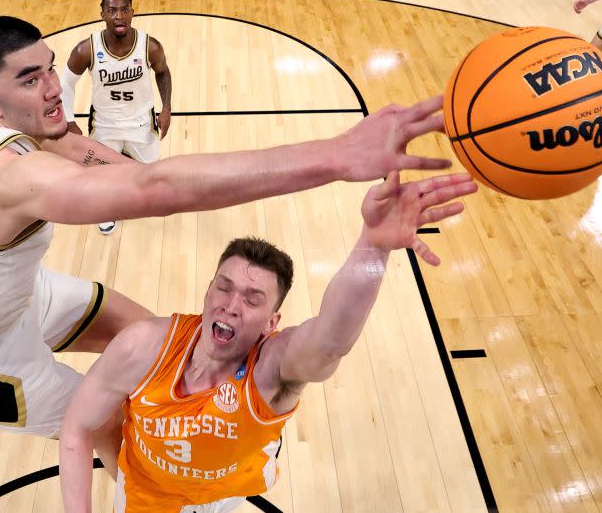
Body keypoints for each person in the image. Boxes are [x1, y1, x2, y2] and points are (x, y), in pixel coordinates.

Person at [0, 14, 455, 468]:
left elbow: (105, 163)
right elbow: (156, 186)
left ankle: (225, 425)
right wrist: (336, 156)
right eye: (29, 79)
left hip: (16, 300)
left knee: (159, 346)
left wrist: (132, 183)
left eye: (50, 69)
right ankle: (153, 494)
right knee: (126, 432)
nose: (53, 87)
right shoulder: (10, 175)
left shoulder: (6, 128)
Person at [58, 172, 477, 512]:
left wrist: (373, 247)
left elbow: (330, 341)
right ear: (207, 291)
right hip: (149, 495)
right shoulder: (142, 346)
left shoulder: (271, 368)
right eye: (223, 288)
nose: (232, 305)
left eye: (252, 299)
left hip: (226, 493)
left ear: (271, 322)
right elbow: (78, 428)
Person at [59, 0, 173, 235]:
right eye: (112, 10)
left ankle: (142, 199)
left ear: (133, 12)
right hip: (105, 125)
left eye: (124, 10)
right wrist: (69, 121)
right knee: (101, 176)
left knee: (152, 172)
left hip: (141, 122)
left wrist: (167, 108)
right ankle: (106, 210)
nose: (118, 16)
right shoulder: (86, 49)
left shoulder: (149, 46)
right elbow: (65, 84)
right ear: (102, 14)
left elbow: (163, 72)